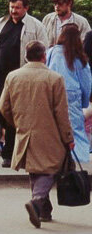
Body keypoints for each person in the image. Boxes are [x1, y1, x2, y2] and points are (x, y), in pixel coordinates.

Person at [0, 41, 75, 227]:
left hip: (24, 131)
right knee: (50, 168)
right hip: (50, 133)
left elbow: (3, 106)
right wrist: (68, 137)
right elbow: (61, 113)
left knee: (36, 169)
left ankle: (44, 210)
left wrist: (17, 122)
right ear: (44, 56)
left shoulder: (13, 76)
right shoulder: (55, 78)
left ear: (26, 56)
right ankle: (37, 201)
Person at [0, 0, 47, 167]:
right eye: (11, 7)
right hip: (3, 77)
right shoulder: (1, 23)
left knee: (20, 115)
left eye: (17, 8)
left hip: (25, 77)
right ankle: (8, 149)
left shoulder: (35, 26)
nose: (13, 11)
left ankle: (13, 154)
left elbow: (45, 51)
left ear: (26, 8)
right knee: (2, 112)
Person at [46, 24, 91, 164]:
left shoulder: (52, 51)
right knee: (75, 128)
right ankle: (79, 159)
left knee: (55, 126)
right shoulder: (79, 57)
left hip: (53, 92)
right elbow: (86, 81)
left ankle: (56, 157)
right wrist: (84, 101)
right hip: (72, 95)